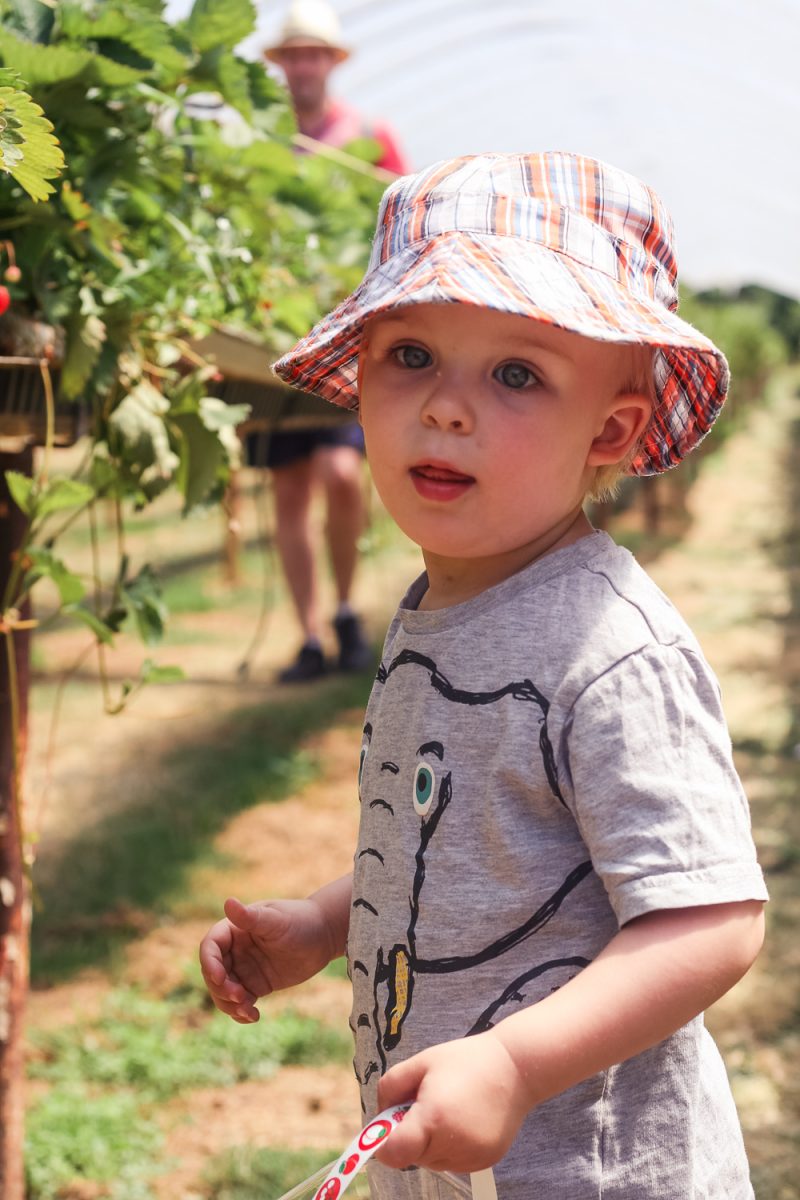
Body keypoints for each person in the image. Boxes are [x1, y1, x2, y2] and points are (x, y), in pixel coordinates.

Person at [200, 152, 768, 1197]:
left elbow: (709, 921)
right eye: (410, 353)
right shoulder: (441, 606)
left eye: (515, 374)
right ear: (358, 380)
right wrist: (329, 924)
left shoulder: (607, 648)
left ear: (609, 431)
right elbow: (465, 832)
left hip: (590, 1172)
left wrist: (513, 1060)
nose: (446, 407)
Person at [260, 1, 412, 683]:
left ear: (332, 62)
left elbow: (402, 216)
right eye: (292, 55)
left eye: (313, 55)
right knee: (288, 491)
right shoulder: (263, 144)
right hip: (269, 329)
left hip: (345, 332)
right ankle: (309, 635)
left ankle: (348, 609)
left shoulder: (369, 136)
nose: (302, 66)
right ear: (280, 64)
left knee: (343, 474)